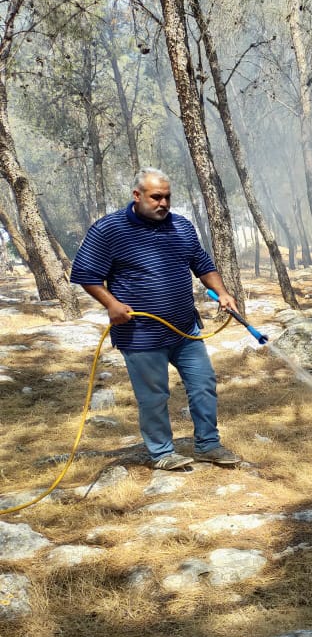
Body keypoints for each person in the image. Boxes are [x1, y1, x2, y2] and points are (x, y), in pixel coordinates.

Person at [70, 167, 241, 471]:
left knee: (203, 384)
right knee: (154, 396)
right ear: (137, 196)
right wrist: (111, 304)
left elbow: (201, 263)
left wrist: (223, 292)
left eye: (167, 197)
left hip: (185, 329)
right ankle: (162, 453)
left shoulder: (182, 226)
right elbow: (86, 274)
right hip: (140, 334)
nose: (163, 203)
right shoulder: (108, 230)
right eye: (156, 197)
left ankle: (208, 445)